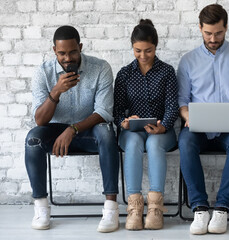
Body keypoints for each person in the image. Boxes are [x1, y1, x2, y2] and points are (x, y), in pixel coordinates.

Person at [25, 26, 120, 233]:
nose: (67, 58)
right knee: (33, 139)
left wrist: (73, 129)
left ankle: (111, 208)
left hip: (89, 129)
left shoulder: (101, 67)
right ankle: (41, 207)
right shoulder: (43, 72)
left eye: (72, 52)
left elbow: (104, 112)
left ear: (80, 47)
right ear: (54, 51)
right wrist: (56, 91)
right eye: (62, 53)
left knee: (106, 131)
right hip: (56, 131)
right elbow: (40, 120)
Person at [177, 4, 229, 235]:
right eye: (208, 33)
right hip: (198, 128)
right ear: (200, 28)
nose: (213, 39)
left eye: (219, 33)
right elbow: (181, 101)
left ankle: (222, 208)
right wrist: (188, 117)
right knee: (185, 142)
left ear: (226, 27)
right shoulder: (188, 61)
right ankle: (200, 208)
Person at [113, 19, 178, 231]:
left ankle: (155, 208)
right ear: (132, 47)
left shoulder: (167, 72)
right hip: (133, 131)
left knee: (154, 144)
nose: (143, 56)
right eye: (138, 50)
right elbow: (117, 110)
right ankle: (133, 208)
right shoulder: (124, 74)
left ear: (156, 47)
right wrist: (124, 121)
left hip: (161, 131)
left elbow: (172, 106)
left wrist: (164, 125)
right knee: (132, 143)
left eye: (148, 50)